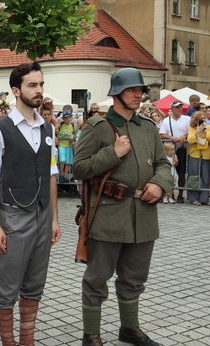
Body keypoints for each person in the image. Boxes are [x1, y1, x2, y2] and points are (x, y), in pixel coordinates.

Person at [73, 68, 173, 346]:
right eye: (132, 90)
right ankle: (91, 335)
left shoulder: (148, 127)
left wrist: (160, 183)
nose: (138, 94)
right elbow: (79, 169)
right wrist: (112, 153)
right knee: (97, 278)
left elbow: (164, 164)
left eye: (140, 90)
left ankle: (129, 329)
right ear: (117, 93)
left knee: (135, 277)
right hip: (108, 214)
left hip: (144, 214)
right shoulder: (98, 127)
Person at [0, 62, 61, 346]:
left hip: (42, 215)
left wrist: (53, 218)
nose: (39, 90)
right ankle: (8, 342)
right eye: (32, 85)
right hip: (13, 216)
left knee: (35, 285)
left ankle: (27, 340)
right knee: (7, 287)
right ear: (15, 91)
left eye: (41, 84)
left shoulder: (48, 129)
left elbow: (51, 174)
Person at [159, 100, 190, 203]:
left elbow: (192, 131)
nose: (179, 109)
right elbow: (161, 134)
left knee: (181, 172)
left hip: (182, 149)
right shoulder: (166, 120)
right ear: (171, 109)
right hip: (169, 150)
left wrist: (184, 136)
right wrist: (172, 137)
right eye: (177, 107)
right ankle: (166, 194)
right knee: (167, 171)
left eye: (180, 107)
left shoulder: (187, 119)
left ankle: (180, 194)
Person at [186, 111, 210, 205]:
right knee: (194, 176)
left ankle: (204, 198)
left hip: (206, 155)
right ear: (196, 120)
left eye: (204, 118)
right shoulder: (192, 129)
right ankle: (193, 198)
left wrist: (206, 132)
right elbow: (190, 140)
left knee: (205, 177)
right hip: (195, 155)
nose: (203, 120)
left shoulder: (208, 127)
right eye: (201, 118)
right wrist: (197, 132)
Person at [57, 110, 75, 183]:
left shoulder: (72, 125)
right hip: (62, 145)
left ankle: (65, 176)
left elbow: (74, 133)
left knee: (68, 162)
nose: (68, 119)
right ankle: (61, 175)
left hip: (69, 145)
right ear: (63, 119)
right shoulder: (61, 124)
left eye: (69, 118)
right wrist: (57, 131)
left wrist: (72, 136)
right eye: (66, 118)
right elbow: (55, 128)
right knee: (62, 161)